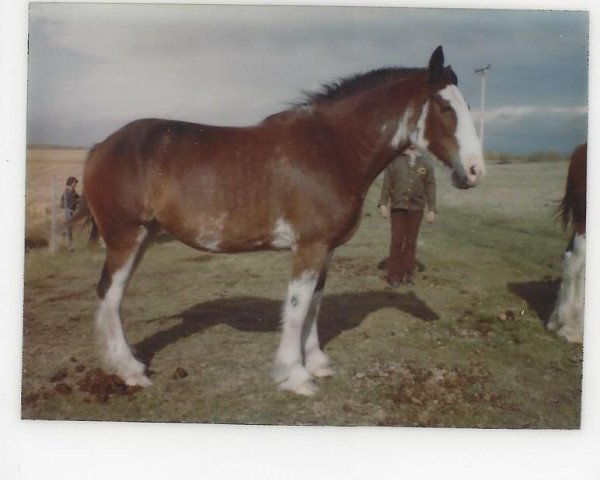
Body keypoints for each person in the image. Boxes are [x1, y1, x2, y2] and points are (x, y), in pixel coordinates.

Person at [378, 144, 436, 287]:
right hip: (398, 207)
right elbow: (387, 184)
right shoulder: (395, 160)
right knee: (397, 242)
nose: (412, 143)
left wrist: (432, 209)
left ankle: (408, 275)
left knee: (411, 242)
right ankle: (394, 276)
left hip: (416, 209)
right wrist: (383, 204)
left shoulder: (426, 162)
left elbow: (430, 185)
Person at [61, 176, 80, 247]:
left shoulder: (72, 191)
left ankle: (68, 243)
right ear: (70, 183)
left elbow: (78, 198)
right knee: (69, 227)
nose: (75, 185)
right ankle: (70, 244)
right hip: (67, 211)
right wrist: (79, 202)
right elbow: (73, 201)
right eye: (74, 183)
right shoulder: (68, 191)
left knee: (69, 227)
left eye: (75, 183)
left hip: (70, 211)